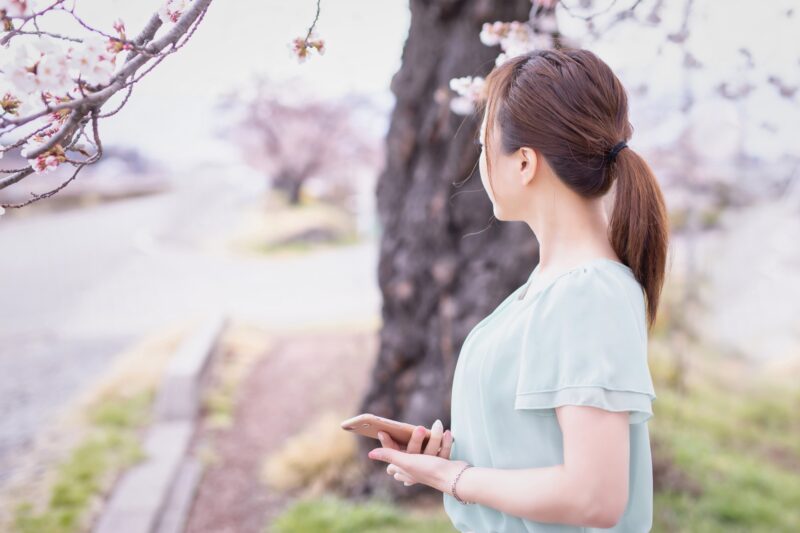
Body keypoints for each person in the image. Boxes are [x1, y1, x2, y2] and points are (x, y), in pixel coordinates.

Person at [366, 47, 669, 532]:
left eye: (485, 147)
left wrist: (453, 476)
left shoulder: (589, 295)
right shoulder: (548, 289)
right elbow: (539, 447)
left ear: (525, 162)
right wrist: (451, 456)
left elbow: (595, 497)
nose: (481, 163)